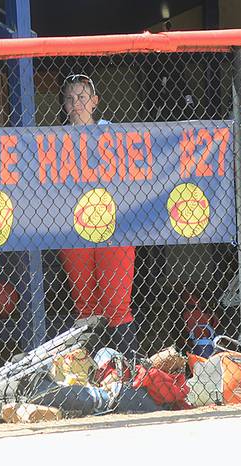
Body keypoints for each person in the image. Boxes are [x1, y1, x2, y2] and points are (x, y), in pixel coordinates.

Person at [58, 74, 138, 357]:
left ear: (94, 102)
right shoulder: (56, 140)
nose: (75, 103)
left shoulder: (113, 134)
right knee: (85, 304)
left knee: (116, 303)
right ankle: (90, 372)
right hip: (73, 229)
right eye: (70, 98)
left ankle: (128, 371)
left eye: (81, 97)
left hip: (113, 227)